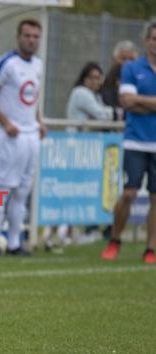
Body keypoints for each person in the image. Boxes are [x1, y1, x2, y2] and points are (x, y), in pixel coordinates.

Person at [0, 18, 46, 256]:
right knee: (1, 189)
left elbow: (31, 97)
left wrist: (38, 121)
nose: (31, 40)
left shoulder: (37, 64)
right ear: (19, 37)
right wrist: (5, 121)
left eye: (35, 36)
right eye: (27, 35)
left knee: (23, 191)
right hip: (8, 135)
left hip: (30, 136)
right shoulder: (5, 63)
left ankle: (16, 242)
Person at [102, 21, 156, 264]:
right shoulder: (133, 68)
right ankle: (115, 239)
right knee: (129, 193)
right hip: (135, 141)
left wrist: (141, 102)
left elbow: (135, 101)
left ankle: (150, 248)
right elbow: (126, 101)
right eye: (153, 38)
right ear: (146, 41)